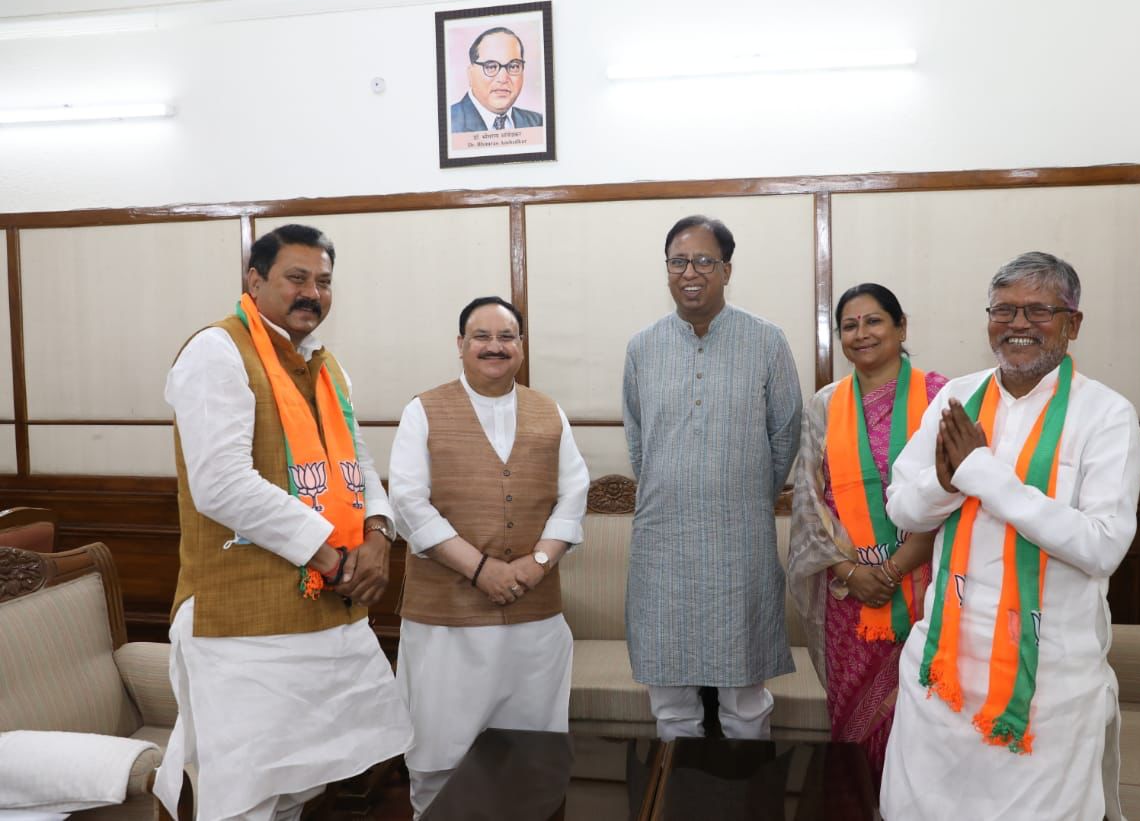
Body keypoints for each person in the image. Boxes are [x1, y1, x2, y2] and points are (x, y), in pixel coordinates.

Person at [155, 224, 411, 821]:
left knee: (299, 788)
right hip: (243, 624)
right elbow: (220, 483)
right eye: (296, 278)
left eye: (323, 282)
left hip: (326, 615)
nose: (312, 293)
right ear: (254, 279)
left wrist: (378, 533)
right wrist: (328, 555)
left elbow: (358, 460)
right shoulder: (216, 351)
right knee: (244, 798)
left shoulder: (323, 364)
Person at [880, 252, 1140, 820]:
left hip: (1047, 680)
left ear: (1073, 324)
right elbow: (902, 509)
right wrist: (948, 484)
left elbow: (1102, 546)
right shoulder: (957, 398)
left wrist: (985, 476)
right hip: (942, 670)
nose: (1018, 324)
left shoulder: (1106, 415)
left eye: (1038, 310)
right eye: (1004, 310)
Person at [388, 296, 589, 818]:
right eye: (482, 336)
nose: (494, 347)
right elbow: (409, 503)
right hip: (445, 626)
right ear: (460, 346)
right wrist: (480, 569)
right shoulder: (422, 410)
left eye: (507, 337)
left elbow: (574, 492)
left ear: (521, 347)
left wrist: (538, 562)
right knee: (439, 759)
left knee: (532, 757)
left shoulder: (550, 411)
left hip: (533, 622)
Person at [623, 214, 803, 740]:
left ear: (726, 269)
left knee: (745, 699)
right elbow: (639, 440)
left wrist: (743, 495)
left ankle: (747, 803)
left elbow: (785, 433)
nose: (690, 272)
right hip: (662, 541)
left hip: (739, 539)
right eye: (678, 261)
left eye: (704, 260)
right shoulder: (642, 346)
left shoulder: (767, 341)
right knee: (671, 701)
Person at [787, 283, 947, 778]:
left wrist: (894, 567)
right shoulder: (824, 405)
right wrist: (850, 570)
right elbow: (809, 500)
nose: (862, 333)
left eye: (875, 321)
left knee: (924, 718)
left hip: (926, 588)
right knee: (854, 719)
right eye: (850, 326)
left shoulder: (943, 397)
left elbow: (956, 491)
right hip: (848, 594)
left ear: (901, 327)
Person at [450, 26, 544, 133]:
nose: (503, 79)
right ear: (470, 74)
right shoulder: (449, 124)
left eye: (513, 66)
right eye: (491, 67)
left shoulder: (538, 124)